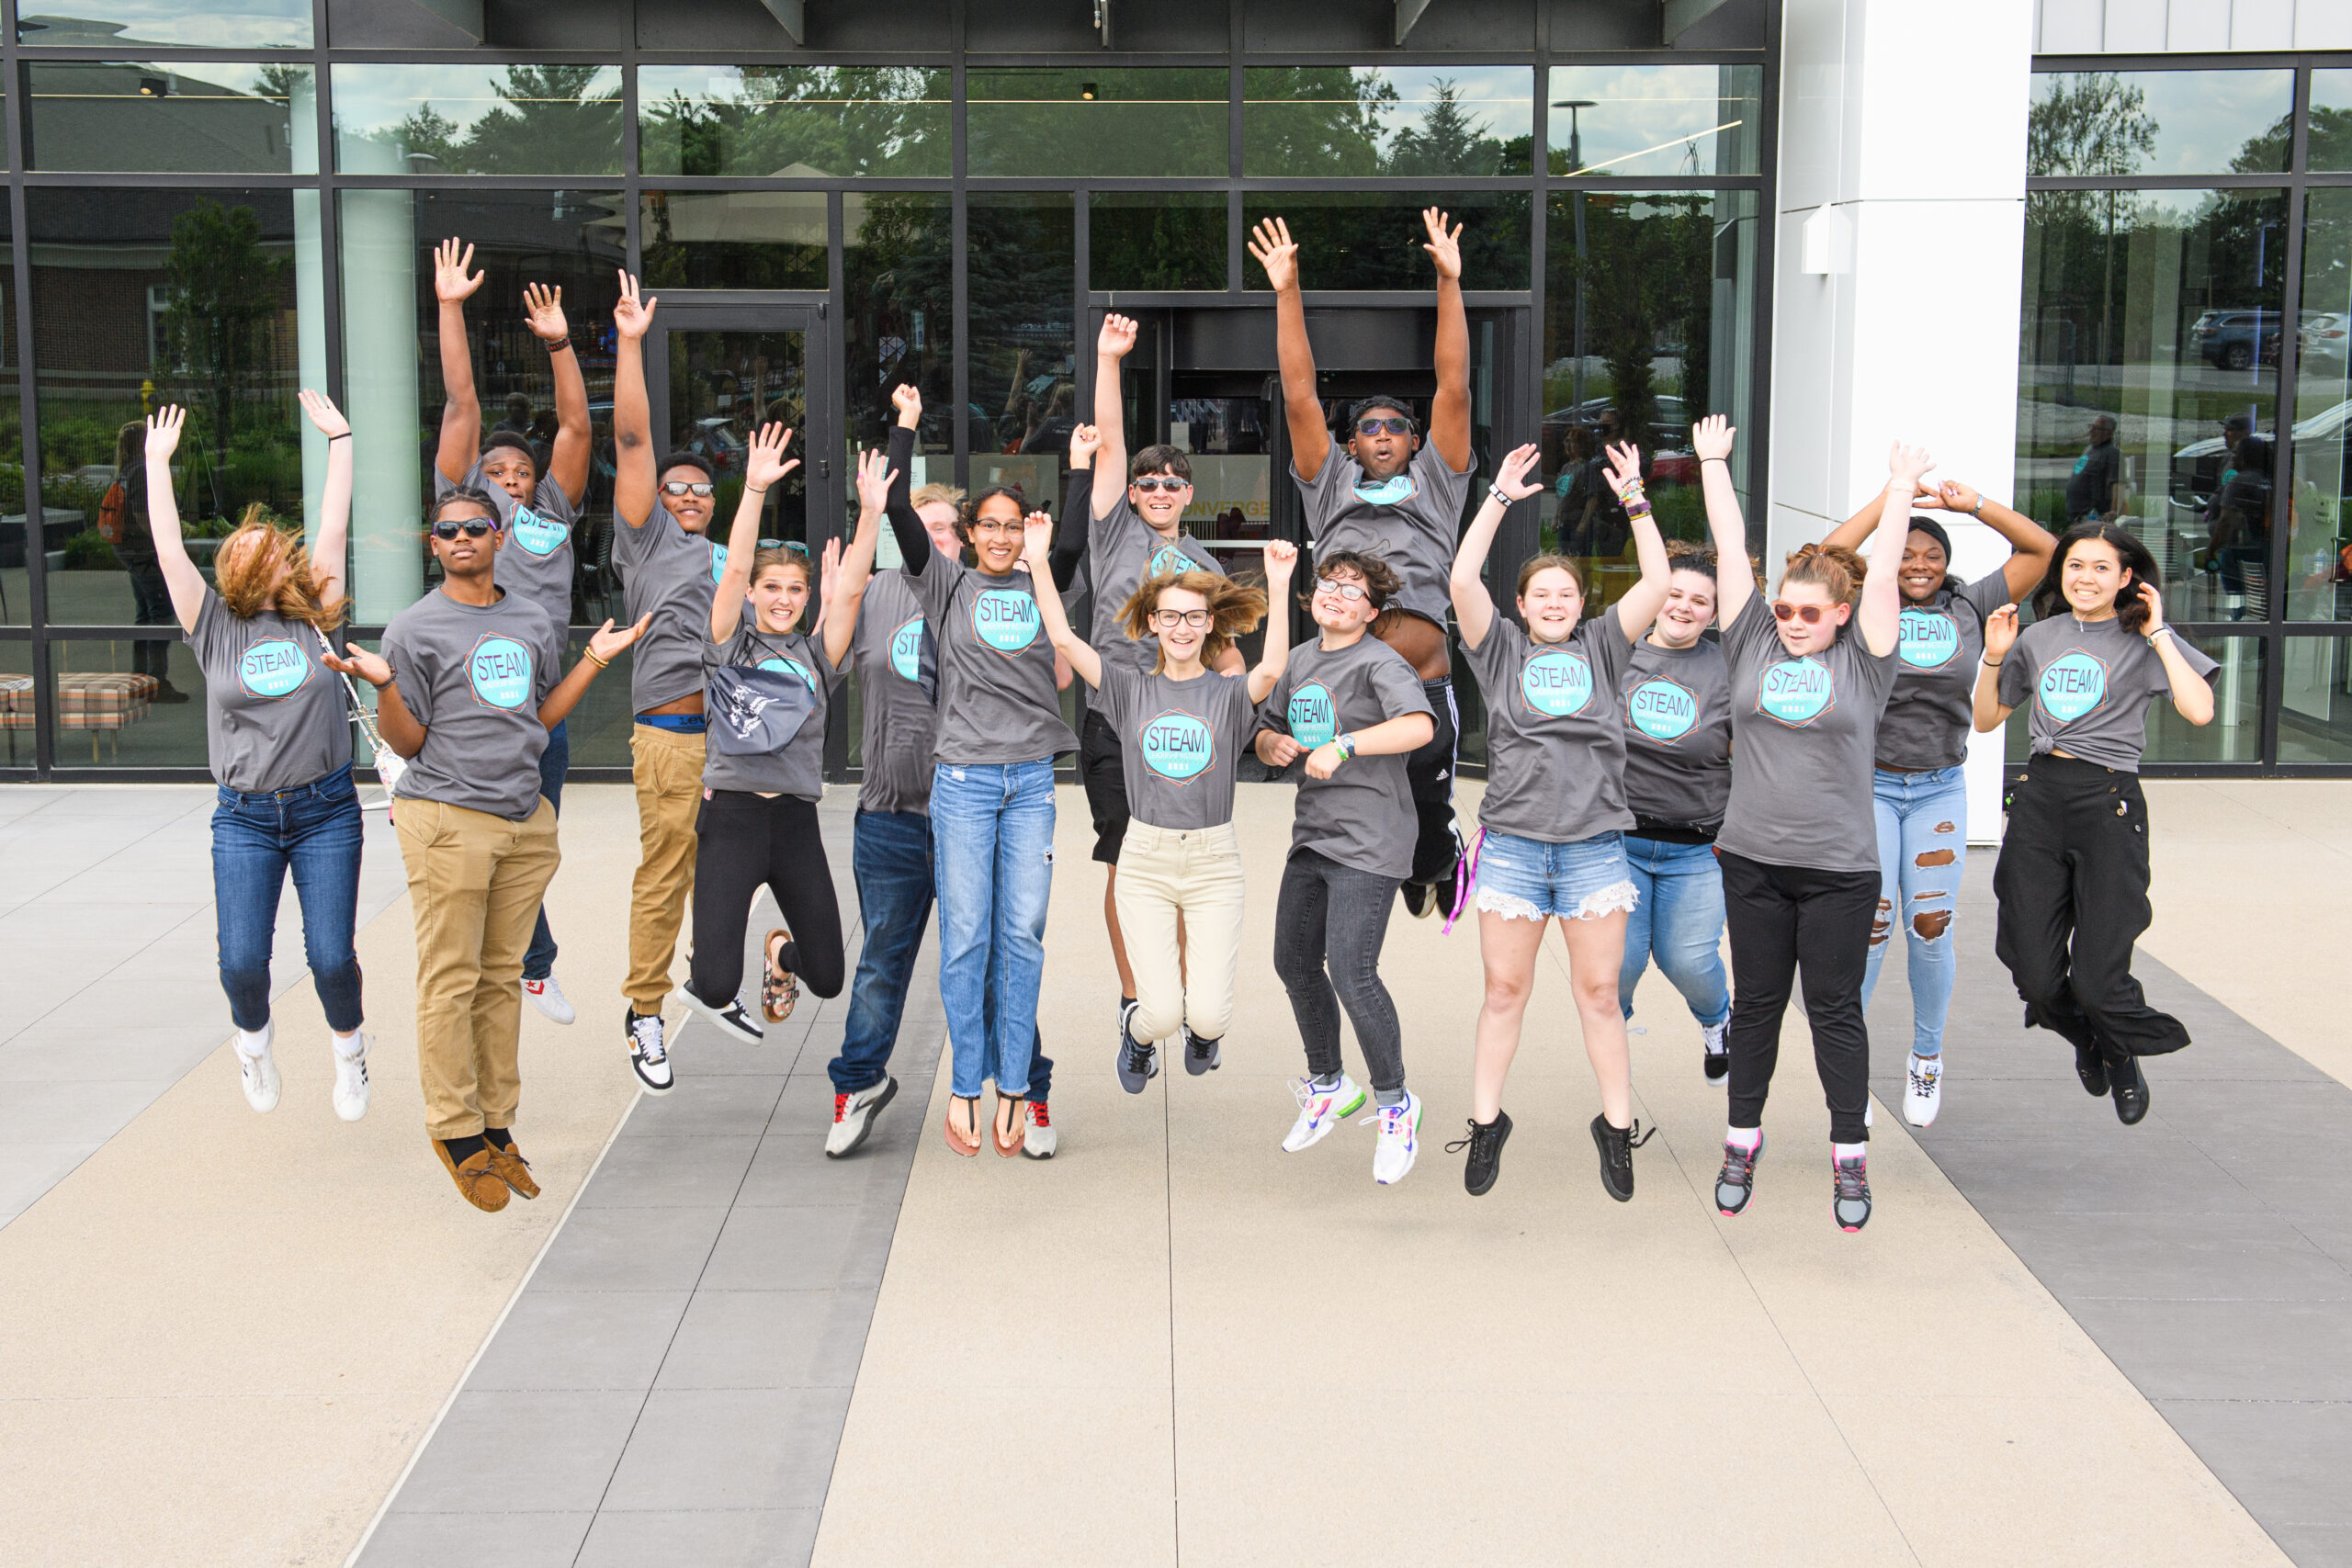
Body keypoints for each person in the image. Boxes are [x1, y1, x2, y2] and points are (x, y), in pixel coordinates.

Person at [325, 489, 644, 1211]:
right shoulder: (413, 628)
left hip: (521, 820)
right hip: (446, 817)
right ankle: (454, 1128)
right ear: (432, 545)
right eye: (448, 530)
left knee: (502, 977)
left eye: (476, 526)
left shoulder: (531, 618)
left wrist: (593, 658)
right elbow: (407, 741)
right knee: (451, 976)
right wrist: (383, 685)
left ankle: (497, 1123)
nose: (463, 537)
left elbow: (540, 712)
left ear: (498, 537)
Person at [824, 385, 1061, 1159]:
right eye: (933, 530)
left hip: (988, 792)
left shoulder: (982, 591)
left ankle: (1025, 1086)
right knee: (887, 960)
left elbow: (1061, 592)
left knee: (1007, 942)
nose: (947, 541)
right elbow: (883, 526)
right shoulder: (890, 591)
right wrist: (903, 425)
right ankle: (859, 1083)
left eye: (950, 531)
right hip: (896, 815)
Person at [1708, 425, 1928, 1234]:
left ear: (1839, 613)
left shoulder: (1865, 663)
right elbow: (1732, 550)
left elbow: (1884, 588)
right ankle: (1741, 1139)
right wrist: (1712, 466)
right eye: (1784, 609)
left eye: (1809, 611)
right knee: (1758, 1003)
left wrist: (1899, 488)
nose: (1793, 620)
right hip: (1754, 861)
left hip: (1839, 868)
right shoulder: (1751, 645)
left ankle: (1849, 1153)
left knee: (1835, 1008)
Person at [1448, 439, 1667, 1200]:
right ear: (1521, 605)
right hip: (1512, 846)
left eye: (1564, 595)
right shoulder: (1499, 650)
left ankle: (1615, 1128)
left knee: (1598, 994)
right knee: (1504, 992)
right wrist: (1499, 499)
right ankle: (1486, 1124)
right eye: (1539, 593)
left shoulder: (1607, 647)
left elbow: (1660, 579)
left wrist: (1635, 497)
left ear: (1582, 606)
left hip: (1594, 850)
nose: (1551, 603)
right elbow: (1459, 577)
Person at [146, 396, 367, 1116]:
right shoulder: (211, 626)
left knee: (331, 957)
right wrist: (155, 466)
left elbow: (332, 521)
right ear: (235, 572)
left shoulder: (314, 612)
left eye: (272, 543)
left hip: (325, 809)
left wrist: (341, 440)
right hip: (242, 818)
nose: (273, 547)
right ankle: (253, 1044)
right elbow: (168, 550)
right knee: (243, 962)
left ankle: (350, 1056)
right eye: (255, 547)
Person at [1031, 493, 1295, 1091]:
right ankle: (1139, 1035)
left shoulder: (1227, 694)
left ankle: (1200, 1034)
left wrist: (1279, 584)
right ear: (1153, 622)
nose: (1181, 627)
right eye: (1171, 616)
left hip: (1212, 862)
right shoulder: (1126, 689)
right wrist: (1039, 561)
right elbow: (1066, 642)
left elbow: (1272, 667)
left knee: (1207, 1015)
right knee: (1161, 1013)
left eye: (1194, 616)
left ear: (1210, 624)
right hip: (1145, 861)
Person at [1253, 209, 1475, 918]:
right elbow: (1298, 393)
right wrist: (1287, 290)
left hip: (1424, 682)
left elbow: (1454, 388)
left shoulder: (1439, 482)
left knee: (1426, 813)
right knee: (1346, 814)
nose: (1382, 434)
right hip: (1344, 687)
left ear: (1414, 442)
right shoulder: (1332, 483)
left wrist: (1449, 282)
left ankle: (1435, 862)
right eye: (1369, 427)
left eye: (1395, 427)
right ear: (1352, 444)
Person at [1816, 476, 2054, 1127]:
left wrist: (1969, 504)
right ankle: (1851, 1071)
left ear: (1948, 564)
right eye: (1908, 552)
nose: (1919, 564)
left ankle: (1926, 1056)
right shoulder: (1863, 600)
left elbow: (2042, 549)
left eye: (1933, 555)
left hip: (1938, 787)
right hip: (1867, 782)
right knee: (1870, 925)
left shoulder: (1970, 605)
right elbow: (1821, 556)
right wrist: (1893, 499)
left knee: (1929, 926)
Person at [1975, 524, 2217, 1126]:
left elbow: (2200, 709)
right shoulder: (2039, 637)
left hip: (2108, 801)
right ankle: (2090, 1037)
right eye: (2076, 565)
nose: (2086, 577)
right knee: (2032, 970)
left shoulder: (2143, 641)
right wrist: (1994, 655)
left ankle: (2119, 1046)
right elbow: (1985, 720)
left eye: (2101, 567)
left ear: (2126, 577)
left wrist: (2159, 633)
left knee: (2097, 975)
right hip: (2039, 799)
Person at [431, 239, 594, 1027]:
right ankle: (529, 964)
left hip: (538, 719)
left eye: (519, 473)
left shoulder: (550, 521)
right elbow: (462, 406)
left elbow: (574, 426)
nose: (507, 481)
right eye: (494, 473)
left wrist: (560, 343)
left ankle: (523, 963)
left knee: (530, 850)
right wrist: (450, 306)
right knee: (480, 852)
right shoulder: (466, 517)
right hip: (468, 718)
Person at [1080, 312, 1244, 1067]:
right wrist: (1111, 359)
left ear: (1188, 491)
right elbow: (1108, 443)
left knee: (1182, 868)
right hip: (1117, 725)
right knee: (1127, 863)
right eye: (1146, 481)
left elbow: (1231, 654)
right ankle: (1138, 1006)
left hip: (1186, 729)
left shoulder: (1204, 560)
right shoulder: (1114, 532)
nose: (1156, 489)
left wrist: (1247, 718)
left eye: (1170, 481)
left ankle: (1185, 998)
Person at [673, 423, 857, 1054]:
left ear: (809, 597)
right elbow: (732, 573)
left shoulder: (816, 652)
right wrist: (753, 489)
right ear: (752, 593)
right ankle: (724, 959)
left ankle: (780, 951)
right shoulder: (729, 645)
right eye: (771, 588)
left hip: (796, 825)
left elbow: (850, 593)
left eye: (796, 589)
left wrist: (874, 516)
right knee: (715, 982)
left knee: (830, 977)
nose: (783, 599)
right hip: (732, 821)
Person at [1255, 553, 1437, 1185]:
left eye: (1352, 590)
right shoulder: (1302, 660)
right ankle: (1329, 1083)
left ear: (1372, 612)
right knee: (1293, 961)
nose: (1336, 595)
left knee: (1352, 971)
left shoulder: (1380, 663)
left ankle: (1396, 1104)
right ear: (1312, 597)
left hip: (1370, 838)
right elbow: (1271, 728)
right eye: (1328, 584)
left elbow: (1418, 725)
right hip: (1316, 835)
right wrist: (1270, 744)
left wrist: (1347, 743)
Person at [609, 269, 725, 1094]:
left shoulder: (732, 557)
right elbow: (633, 443)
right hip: (673, 736)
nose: (684, 494)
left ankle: (714, 981)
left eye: (699, 488)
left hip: (736, 742)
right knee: (667, 873)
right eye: (673, 487)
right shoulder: (644, 542)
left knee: (742, 866)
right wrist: (632, 343)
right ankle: (644, 1010)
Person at [1615, 541, 1735, 1085]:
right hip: (1617, 842)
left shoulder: (1730, 666)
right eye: (1674, 593)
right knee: (1620, 964)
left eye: (1700, 601)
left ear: (1714, 612)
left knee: (1687, 960)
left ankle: (1717, 1021)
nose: (1684, 607)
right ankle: (1611, 1049)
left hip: (1700, 844)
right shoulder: (1615, 653)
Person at [2064, 413, 2124, 525]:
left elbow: (2117, 484)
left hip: (2092, 517)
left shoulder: (2112, 453)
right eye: (2091, 426)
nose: (2091, 431)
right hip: (2076, 516)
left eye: (2096, 428)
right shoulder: (2091, 449)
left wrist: (2113, 510)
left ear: (2108, 432)